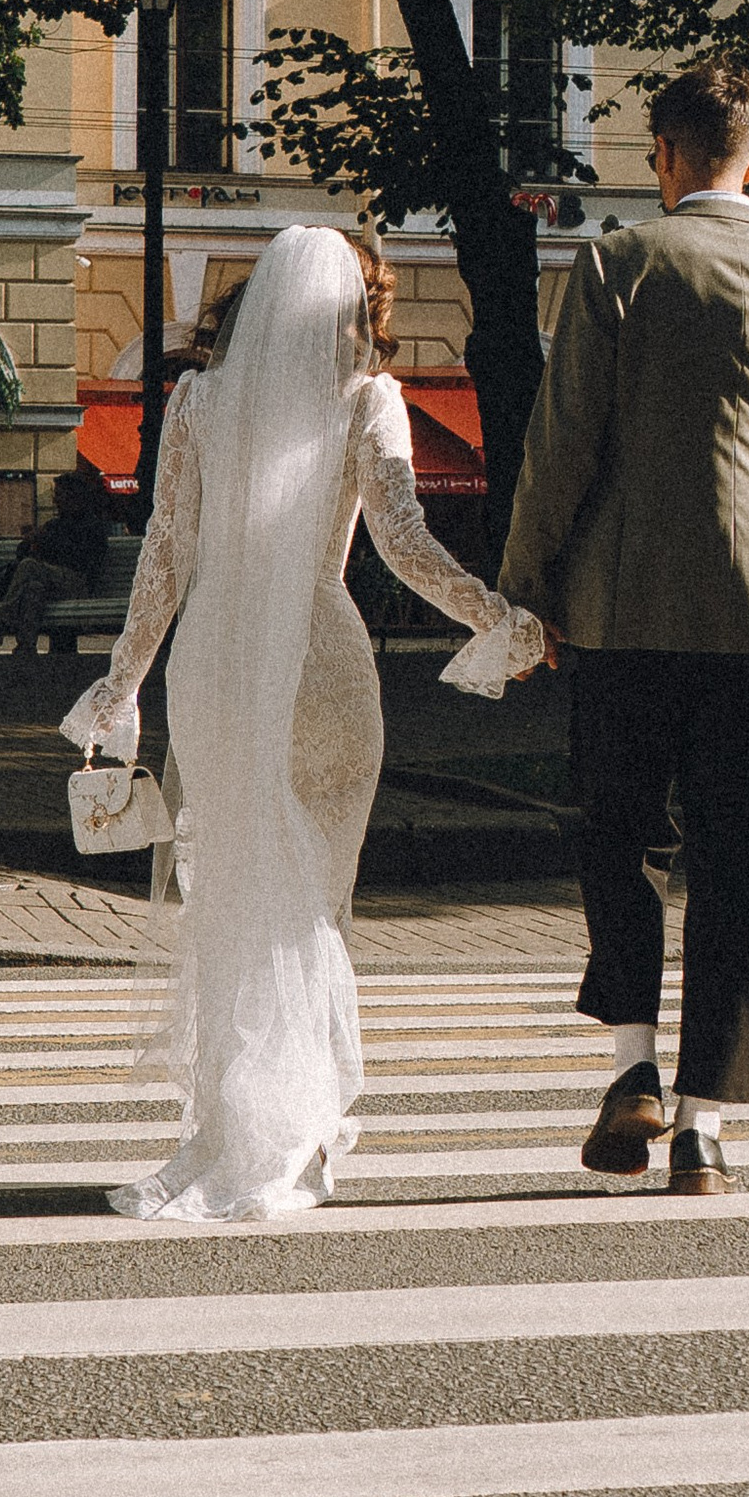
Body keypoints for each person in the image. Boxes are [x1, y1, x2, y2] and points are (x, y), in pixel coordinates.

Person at [62, 225, 543, 1221]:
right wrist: (497, 619)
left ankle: (234, 1124)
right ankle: (301, 1126)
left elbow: (165, 555)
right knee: (315, 898)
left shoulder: (196, 400)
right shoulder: (368, 400)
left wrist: (124, 684)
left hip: (213, 660)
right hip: (319, 661)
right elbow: (405, 545)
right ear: (360, 311)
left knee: (233, 894)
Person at [498, 54, 749, 1199]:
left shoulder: (616, 264)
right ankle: (706, 1129)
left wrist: (528, 587)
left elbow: (562, 445)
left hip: (623, 603)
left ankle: (631, 1072)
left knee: (618, 835)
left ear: (662, 156)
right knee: (740, 866)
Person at [0, 463, 116, 653]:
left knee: (29, 566)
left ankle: (0, 623)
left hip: (78, 584)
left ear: (76, 497)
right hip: (54, 585)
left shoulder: (91, 526)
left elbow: (82, 560)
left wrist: (46, 543)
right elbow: (23, 552)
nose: (56, 500)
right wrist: (31, 542)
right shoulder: (54, 524)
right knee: (34, 588)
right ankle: (26, 647)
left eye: (60, 495)